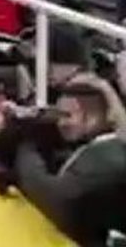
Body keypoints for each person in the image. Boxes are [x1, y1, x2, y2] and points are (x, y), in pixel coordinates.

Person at [14, 83, 126, 245]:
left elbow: (56, 198)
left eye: (67, 116)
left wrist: (26, 146)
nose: (60, 124)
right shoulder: (98, 152)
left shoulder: (106, 159)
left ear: (92, 117)